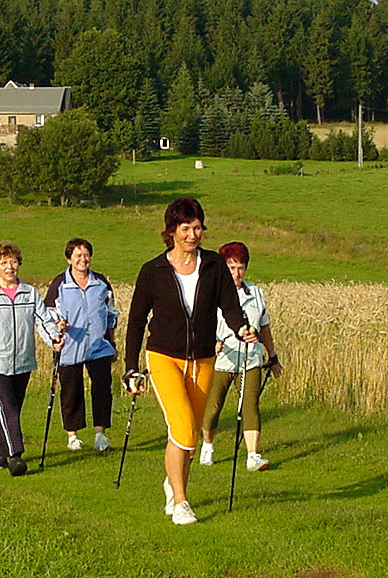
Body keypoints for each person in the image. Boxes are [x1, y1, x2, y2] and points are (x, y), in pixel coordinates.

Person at [124, 197, 258, 525]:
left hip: (203, 359)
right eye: (185, 228)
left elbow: (229, 306)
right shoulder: (152, 271)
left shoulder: (213, 266)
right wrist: (130, 368)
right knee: (182, 427)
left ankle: (174, 483)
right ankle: (181, 503)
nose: (192, 234)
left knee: (192, 436)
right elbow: (136, 321)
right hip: (163, 357)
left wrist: (242, 327)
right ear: (171, 231)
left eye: (197, 227)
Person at [0, 241, 60, 477]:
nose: (9, 267)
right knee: (9, 408)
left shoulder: (30, 293)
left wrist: (55, 339)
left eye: (13, 261)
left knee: (10, 409)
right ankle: (16, 455)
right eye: (3, 262)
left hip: (23, 361)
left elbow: (43, 321)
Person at [199, 241, 283, 471]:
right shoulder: (211, 293)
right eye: (231, 267)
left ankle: (253, 455)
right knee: (214, 406)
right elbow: (202, 324)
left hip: (251, 358)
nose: (236, 273)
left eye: (240, 268)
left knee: (250, 406)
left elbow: (264, 326)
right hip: (223, 359)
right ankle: (207, 445)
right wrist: (211, 344)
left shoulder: (255, 293)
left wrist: (272, 354)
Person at [41, 238, 119, 453]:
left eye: (86, 255)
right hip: (69, 347)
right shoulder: (60, 284)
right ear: (69, 259)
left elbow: (110, 313)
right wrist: (58, 326)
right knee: (71, 391)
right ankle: (73, 436)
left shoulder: (101, 283)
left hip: (99, 345)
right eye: (78, 256)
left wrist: (112, 341)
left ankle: (101, 434)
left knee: (102, 390)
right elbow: (48, 314)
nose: (83, 260)